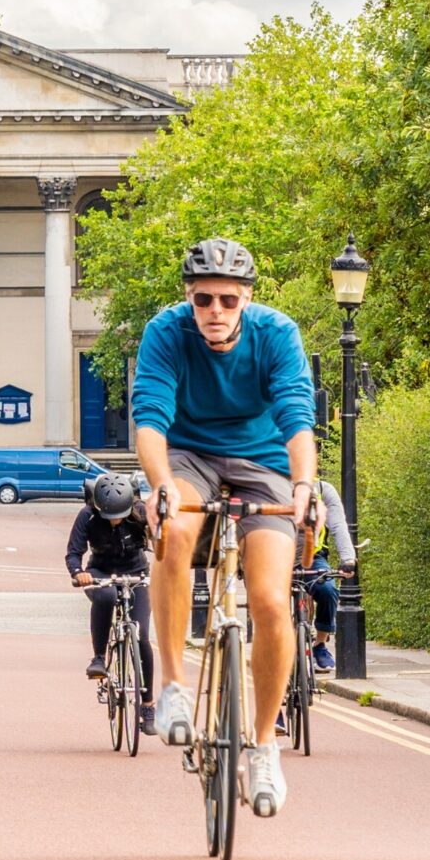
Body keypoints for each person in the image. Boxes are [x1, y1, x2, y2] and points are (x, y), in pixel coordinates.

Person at [133, 237, 316, 818]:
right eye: (203, 298)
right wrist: (160, 483)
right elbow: (151, 417)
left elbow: (295, 416)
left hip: (263, 464)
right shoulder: (166, 332)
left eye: (228, 300)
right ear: (189, 298)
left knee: (268, 599)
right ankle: (173, 688)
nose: (215, 310)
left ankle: (264, 746)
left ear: (247, 299)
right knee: (176, 530)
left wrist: (305, 487)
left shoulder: (277, 334)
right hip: (189, 458)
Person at [67, 473, 157, 735]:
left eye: (119, 515)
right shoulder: (88, 515)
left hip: (137, 573)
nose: (115, 520)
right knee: (105, 597)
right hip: (101, 573)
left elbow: (160, 539)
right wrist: (77, 573)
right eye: (110, 516)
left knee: (141, 636)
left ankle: (148, 706)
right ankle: (99, 658)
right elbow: (74, 552)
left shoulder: (139, 512)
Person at [305, 480, 357, 674]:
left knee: (328, 589)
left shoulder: (322, 489)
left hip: (313, 558)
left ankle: (319, 644)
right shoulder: (272, 481)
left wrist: (348, 558)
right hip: (278, 556)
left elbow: (338, 526)